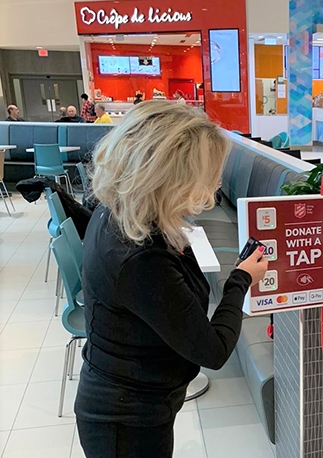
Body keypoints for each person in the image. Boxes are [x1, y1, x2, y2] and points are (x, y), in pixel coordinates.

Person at [75, 101, 269, 457]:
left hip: (133, 399)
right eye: (202, 176)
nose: (210, 187)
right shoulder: (141, 258)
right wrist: (241, 278)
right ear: (169, 178)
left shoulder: (119, 214)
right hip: (126, 419)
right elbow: (212, 349)